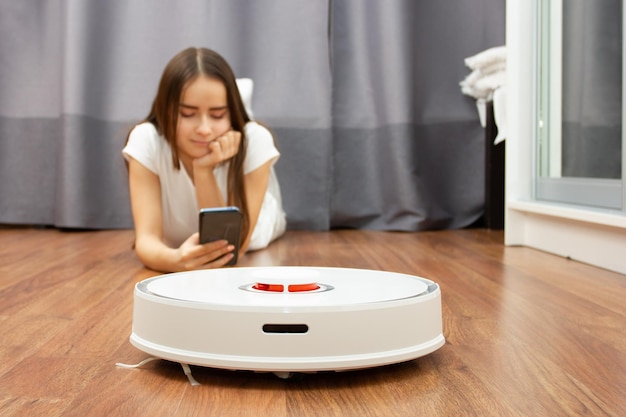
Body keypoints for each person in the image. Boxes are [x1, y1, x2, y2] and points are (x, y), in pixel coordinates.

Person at [122, 47, 286, 272]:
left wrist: (204, 170)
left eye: (218, 115)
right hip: (179, 245)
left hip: (256, 227)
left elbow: (231, 248)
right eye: (187, 114)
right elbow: (146, 241)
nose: (204, 129)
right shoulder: (146, 138)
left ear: (232, 113)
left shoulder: (255, 140)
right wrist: (176, 261)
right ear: (165, 109)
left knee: (268, 214)